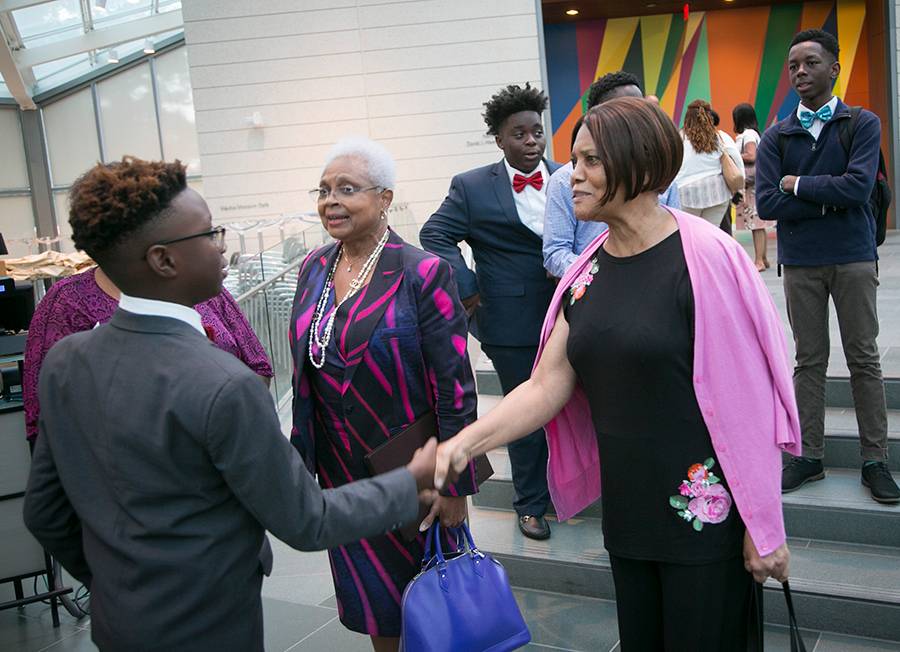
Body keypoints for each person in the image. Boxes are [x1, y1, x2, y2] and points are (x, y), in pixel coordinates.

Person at [23, 157, 437, 652]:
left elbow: (45, 513)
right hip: (208, 622)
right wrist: (411, 480)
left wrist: (121, 581)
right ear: (164, 261)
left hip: (118, 620)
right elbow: (309, 520)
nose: (223, 248)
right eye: (208, 234)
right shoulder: (223, 383)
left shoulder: (66, 360)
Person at [434, 98, 801, 650]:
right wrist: (461, 445)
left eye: (590, 161)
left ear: (639, 164)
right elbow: (545, 386)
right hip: (629, 513)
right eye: (574, 159)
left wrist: (763, 522)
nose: (572, 174)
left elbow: (750, 402)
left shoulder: (707, 259)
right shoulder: (588, 272)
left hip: (707, 516)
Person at [289, 137, 478, 652]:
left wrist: (453, 485)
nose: (331, 201)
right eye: (323, 190)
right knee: (377, 604)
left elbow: (456, 388)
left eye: (347, 189)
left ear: (385, 198)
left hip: (410, 468)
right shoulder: (313, 269)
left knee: (427, 598)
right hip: (338, 471)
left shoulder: (422, 272)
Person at [756, 29, 899, 503]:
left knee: (864, 359)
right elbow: (768, 202)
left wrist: (798, 186)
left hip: (854, 257)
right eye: (793, 64)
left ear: (833, 68)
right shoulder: (778, 134)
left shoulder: (861, 123)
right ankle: (808, 456)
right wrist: (821, 195)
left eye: (811, 63)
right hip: (801, 264)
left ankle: (875, 459)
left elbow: (858, 189)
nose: (800, 71)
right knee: (808, 361)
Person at [420, 84, 558, 541]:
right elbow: (434, 233)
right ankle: (531, 504)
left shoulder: (566, 175)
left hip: (571, 314)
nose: (531, 141)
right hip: (509, 322)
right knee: (524, 418)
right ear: (499, 139)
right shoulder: (472, 186)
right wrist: (467, 285)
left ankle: (568, 489)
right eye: (519, 134)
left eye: (536, 132)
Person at [24, 248, 273, 446]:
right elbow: (46, 420)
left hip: (230, 454)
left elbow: (258, 367)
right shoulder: (67, 302)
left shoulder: (203, 287)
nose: (220, 246)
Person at [542, 70, 680, 279]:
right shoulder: (563, 182)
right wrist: (598, 276)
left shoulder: (662, 176)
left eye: (640, 108)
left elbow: (675, 237)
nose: (578, 176)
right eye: (623, 112)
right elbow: (555, 252)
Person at [675, 99, 745, 225]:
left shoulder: (679, 137)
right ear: (708, 117)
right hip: (717, 193)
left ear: (687, 118)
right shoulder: (717, 137)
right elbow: (734, 158)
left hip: (687, 193)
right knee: (711, 234)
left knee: (690, 235)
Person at [733, 103, 772, 271]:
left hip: (751, 185)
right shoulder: (754, 133)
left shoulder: (747, 135)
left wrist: (732, 155)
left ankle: (759, 261)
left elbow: (751, 155)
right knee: (758, 223)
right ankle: (763, 257)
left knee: (755, 223)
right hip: (756, 183)